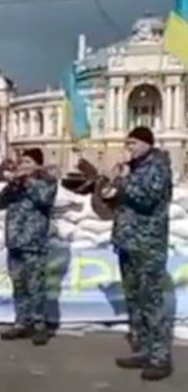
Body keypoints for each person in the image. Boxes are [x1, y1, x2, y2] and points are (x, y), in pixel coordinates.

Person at [104, 126, 173, 381]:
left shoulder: (158, 166)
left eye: (133, 143)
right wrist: (110, 185)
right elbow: (118, 201)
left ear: (146, 143)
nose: (129, 148)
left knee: (151, 302)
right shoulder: (135, 169)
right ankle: (144, 350)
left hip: (148, 246)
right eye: (127, 143)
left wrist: (122, 181)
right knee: (135, 301)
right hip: (128, 243)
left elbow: (147, 197)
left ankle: (160, 358)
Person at [0, 148, 57, 345]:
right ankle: (21, 322)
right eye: (22, 162)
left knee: (35, 286)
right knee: (18, 285)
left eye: (28, 162)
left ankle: (39, 325)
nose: (23, 166)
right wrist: (12, 185)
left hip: (34, 243)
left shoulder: (47, 181)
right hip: (15, 242)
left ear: (37, 164)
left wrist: (27, 181)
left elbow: (44, 199)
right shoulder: (16, 185)